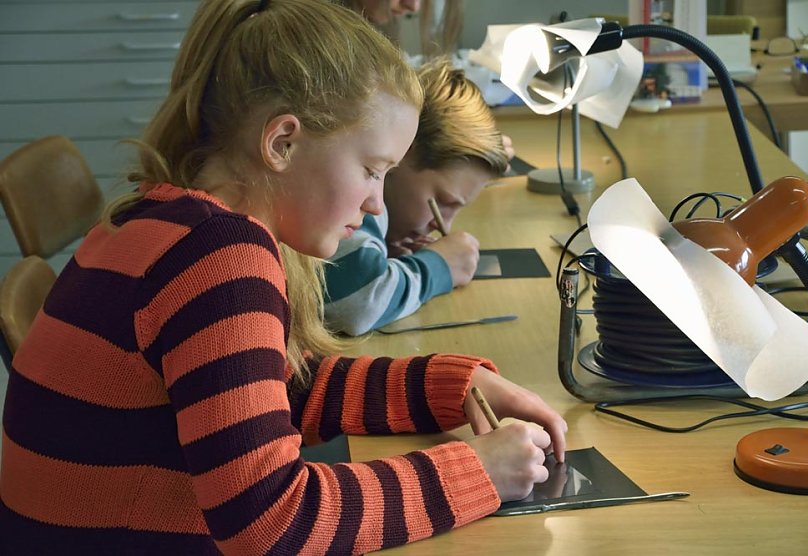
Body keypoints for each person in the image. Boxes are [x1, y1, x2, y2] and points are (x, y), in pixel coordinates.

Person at [0, 0, 567, 554]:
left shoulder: (157, 219)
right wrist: (478, 473)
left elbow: (273, 393)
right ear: (282, 143)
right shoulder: (218, 256)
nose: (376, 204)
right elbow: (272, 522)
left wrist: (448, 387)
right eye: (371, 170)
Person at [324, 58, 508, 335]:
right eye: (443, 202)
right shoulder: (365, 195)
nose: (442, 223)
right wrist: (436, 268)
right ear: (402, 152)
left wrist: (389, 255)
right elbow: (360, 305)